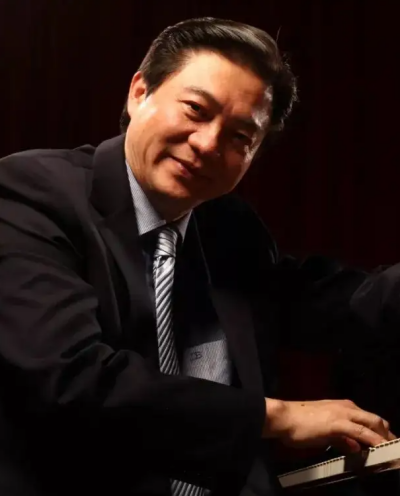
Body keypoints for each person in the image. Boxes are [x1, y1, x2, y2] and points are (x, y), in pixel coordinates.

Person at [0, 17, 396, 496]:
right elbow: (71, 379)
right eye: (196, 110)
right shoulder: (29, 193)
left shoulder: (228, 225)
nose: (208, 144)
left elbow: (339, 302)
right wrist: (277, 417)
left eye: (240, 137)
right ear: (140, 92)